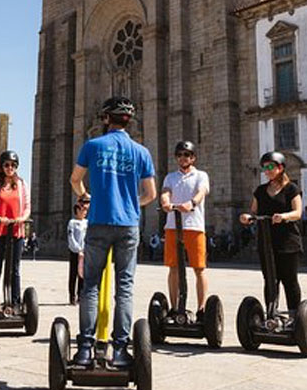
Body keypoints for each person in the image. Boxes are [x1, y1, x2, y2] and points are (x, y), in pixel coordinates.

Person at [69, 96, 157, 368]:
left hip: (99, 223)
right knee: (125, 288)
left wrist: (87, 197)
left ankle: (85, 349)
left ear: (106, 118)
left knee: (91, 286)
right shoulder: (141, 151)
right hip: (129, 225)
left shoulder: (93, 145)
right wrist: (131, 203)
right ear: (129, 120)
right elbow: (150, 194)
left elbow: (75, 180)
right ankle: (120, 350)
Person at [239, 151, 303, 318]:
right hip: (266, 242)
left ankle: (294, 315)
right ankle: (271, 314)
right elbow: (253, 212)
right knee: (270, 280)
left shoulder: (291, 189)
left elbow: (297, 212)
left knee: (289, 280)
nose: (266, 171)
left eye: (270, 167)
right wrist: (247, 217)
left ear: (280, 168)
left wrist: (284, 216)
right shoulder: (260, 191)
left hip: (288, 242)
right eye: (264, 168)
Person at [162, 140, 211, 319]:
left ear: (193, 158)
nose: (183, 158)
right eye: (180, 155)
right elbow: (166, 191)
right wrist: (165, 201)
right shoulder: (170, 177)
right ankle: (174, 308)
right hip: (173, 226)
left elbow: (202, 191)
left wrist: (192, 203)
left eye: (187, 155)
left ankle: (202, 308)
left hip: (194, 227)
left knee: (199, 268)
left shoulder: (201, 175)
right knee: (173, 267)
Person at [0, 150, 31, 315]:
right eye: (6, 165)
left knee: (15, 268)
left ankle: (15, 302)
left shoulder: (22, 185)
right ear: (1, 166)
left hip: (17, 231)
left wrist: (21, 218)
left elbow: (27, 207)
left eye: (13, 165)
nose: (10, 168)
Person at [67, 198, 88, 305]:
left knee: (82, 275)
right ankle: (72, 296)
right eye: (82, 210)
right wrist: (78, 249)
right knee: (73, 274)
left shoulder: (87, 223)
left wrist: (85, 249)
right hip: (75, 252)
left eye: (85, 210)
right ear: (77, 211)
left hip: (85, 253)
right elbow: (71, 237)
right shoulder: (72, 223)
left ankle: (80, 295)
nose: (84, 212)